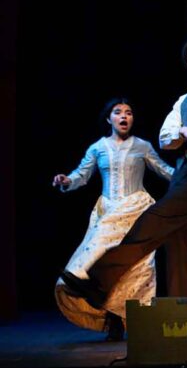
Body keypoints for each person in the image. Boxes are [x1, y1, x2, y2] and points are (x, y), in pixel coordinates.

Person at [60, 33, 187, 309]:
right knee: (177, 241)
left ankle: (98, 280)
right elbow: (165, 138)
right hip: (183, 175)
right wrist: (183, 131)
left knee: (153, 220)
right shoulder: (182, 101)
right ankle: (180, 305)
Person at [53, 98, 173, 340]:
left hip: (136, 208)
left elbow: (164, 170)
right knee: (97, 255)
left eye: (129, 112)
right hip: (108, 210)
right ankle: (110, 315)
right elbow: (82, 174)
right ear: (109, 119)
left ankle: (134, 321)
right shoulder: (97, 147)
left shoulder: (142, 146)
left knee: (137, 267)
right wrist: (67, 180)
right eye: (118, 112)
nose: (124, 116)